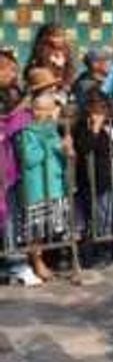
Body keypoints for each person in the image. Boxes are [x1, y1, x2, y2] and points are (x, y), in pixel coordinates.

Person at [17, 73, 73, 282]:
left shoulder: (51, 130)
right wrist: (46, 143)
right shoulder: (28, 131)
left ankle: (51, 259)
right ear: (34, 111)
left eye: (50, 110)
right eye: (43, 110)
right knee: (36, 230)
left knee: (53, 225)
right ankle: (36, 261)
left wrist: (65, 148)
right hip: (37, 187)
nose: (48, 115)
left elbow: (59, 150)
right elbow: (30, 158)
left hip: (54, 184)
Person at [73, 91, 113, 263]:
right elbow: (84, 147)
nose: (101, 108)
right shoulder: (83, 125)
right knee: (104, 220)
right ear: (88, 107)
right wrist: (94, 128)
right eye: (96, 105)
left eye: (103, 105)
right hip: (98, 181)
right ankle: (104, 253)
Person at [0, 47, 41, 286]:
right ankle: (13, 263)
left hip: (10, 165)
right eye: (7, 69)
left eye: (14, 68)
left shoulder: (14, 91)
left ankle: (14, 261)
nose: (13, 72)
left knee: (12, 212)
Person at [73, 46, 113, 114]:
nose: (105, 63)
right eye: (98, 60)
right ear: (91, 64)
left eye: (107, 60)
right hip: (93, 117)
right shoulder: (84, 81)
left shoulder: (111, 79)